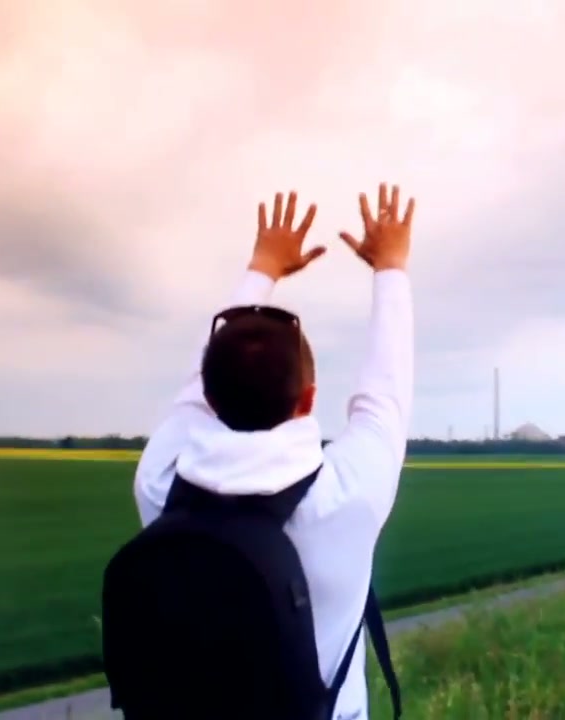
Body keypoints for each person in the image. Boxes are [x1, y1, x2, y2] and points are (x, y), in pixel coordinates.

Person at [121, 184, 414, 719]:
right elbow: (385, 396)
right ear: (309, 398)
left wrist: (263, 267)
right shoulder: (346, 497)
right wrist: (390, 268)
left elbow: (194, 394)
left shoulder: (161, 483)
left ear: (209, 398)